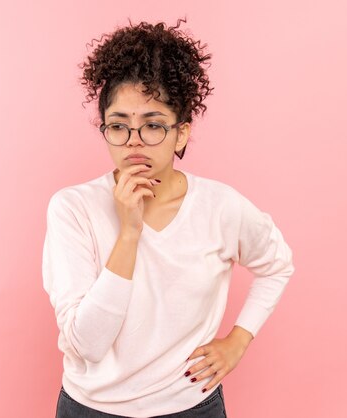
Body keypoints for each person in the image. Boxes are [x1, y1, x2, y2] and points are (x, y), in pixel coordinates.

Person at [42, 18, 295, 418]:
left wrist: (239, 340)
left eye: (154, 126)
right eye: (119, 127)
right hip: (90, 408)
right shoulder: (73, 209)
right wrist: (129, 233)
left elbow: (277, 264)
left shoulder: (220, 207)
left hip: (191, 406)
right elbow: (88, 344)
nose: (134, 142)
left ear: (181, 134)